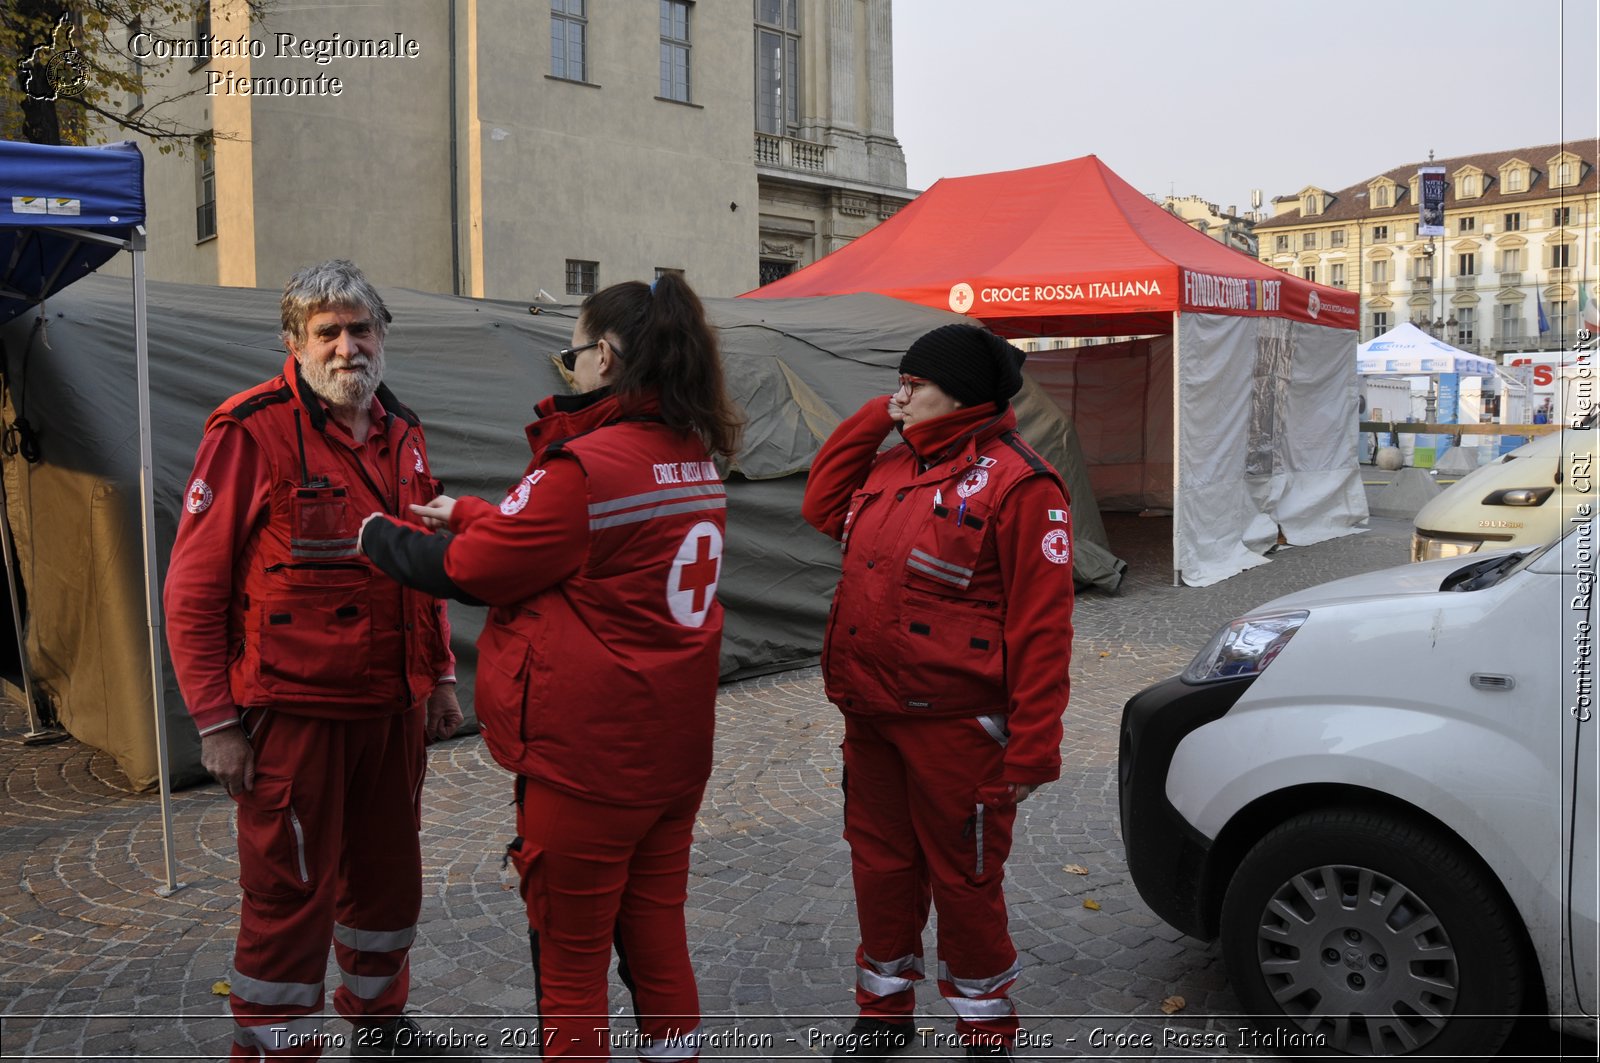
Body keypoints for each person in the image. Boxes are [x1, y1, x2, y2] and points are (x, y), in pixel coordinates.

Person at [359, 274, 742, 1061]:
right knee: (658, 934)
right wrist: (468, 509)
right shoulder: (690, 451)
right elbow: (572, 544)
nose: (568, 372)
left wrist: (375, 536)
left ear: (605, 354)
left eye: (571, 355)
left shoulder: (586, 464)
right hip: (671, 749)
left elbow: (477, 570)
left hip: (587, 759)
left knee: (570, 962)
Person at [164, 260, 463, 1060]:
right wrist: (216, 721)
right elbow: (191, 589)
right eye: (326, 332)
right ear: (294, 343)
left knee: (388, 880)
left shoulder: (406, 432)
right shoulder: (248, 431)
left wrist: (439, 677)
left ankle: (380, 1025)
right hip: (292, 717)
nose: (346, 347)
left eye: (360, 329)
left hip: (392, 710)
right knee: (288, 891)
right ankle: (274, 1047)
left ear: (382, 336)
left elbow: (420, 561)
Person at [801, 324, 1076, 1060]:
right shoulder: (893, 465)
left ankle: (986, 1027)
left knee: (966, 880)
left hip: (960, 728)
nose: (899, 393)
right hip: (872, 714)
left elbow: (1043, 628)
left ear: (957, 390)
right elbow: (821, 502)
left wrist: (1033, 749)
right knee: (879, 867)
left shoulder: (1024, 482)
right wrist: (874, 417)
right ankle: (883, 1013)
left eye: (912, 383)